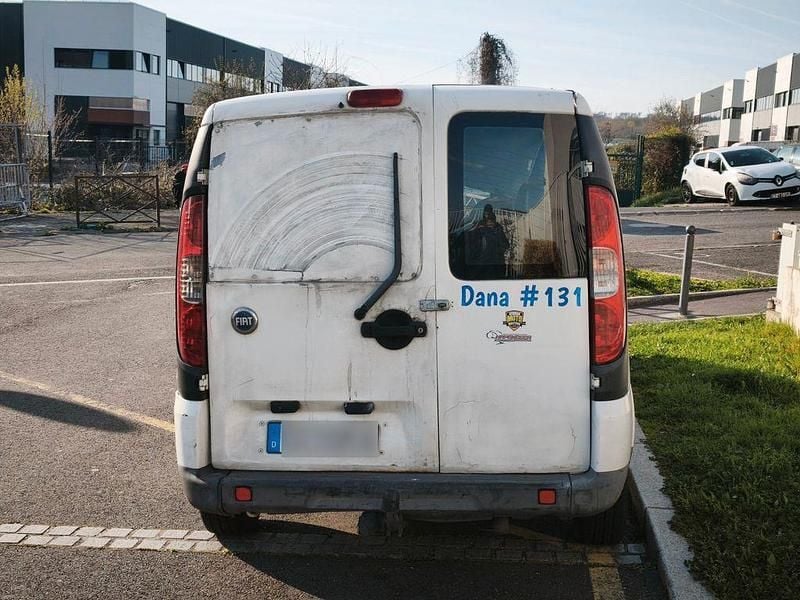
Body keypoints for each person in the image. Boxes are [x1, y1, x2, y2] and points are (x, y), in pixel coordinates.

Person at [465, 204, 509, 279]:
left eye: (489, 212)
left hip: (495, 266)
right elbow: (470, 245)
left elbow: (505, 245)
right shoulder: (477, 227)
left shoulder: (497, 227)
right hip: (480, 266)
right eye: (486, 212)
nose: (487, 215)